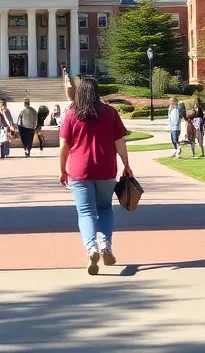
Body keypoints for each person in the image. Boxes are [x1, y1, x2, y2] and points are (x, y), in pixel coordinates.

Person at [58, 77, 132, 275]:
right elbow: (120, 142)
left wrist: (62, 169)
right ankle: (105, 244)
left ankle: (91, 248)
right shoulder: (110, 113)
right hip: (106, 168)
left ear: (80, 93)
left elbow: (64, 145)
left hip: (79, 169)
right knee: (105, 208)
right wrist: (126, 165)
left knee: (85, 212)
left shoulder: (72, 114)